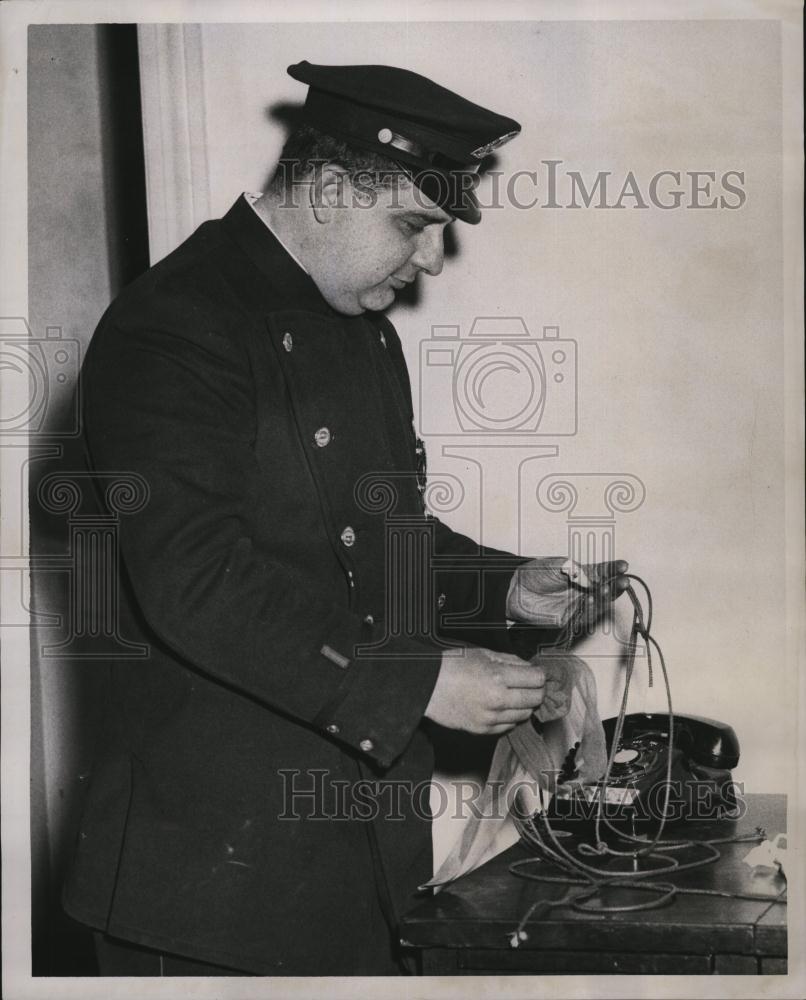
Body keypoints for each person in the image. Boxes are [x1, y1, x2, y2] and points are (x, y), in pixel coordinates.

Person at [63, 60, 628, 976]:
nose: (431, 262)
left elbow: (380, 546)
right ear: (327, 191)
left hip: (361, 864)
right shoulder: (171, 327)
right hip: (209, 897)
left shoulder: (360, 330)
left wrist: (507, 591)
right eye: (414, 225)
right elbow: (197, 581)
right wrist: (419, 684)